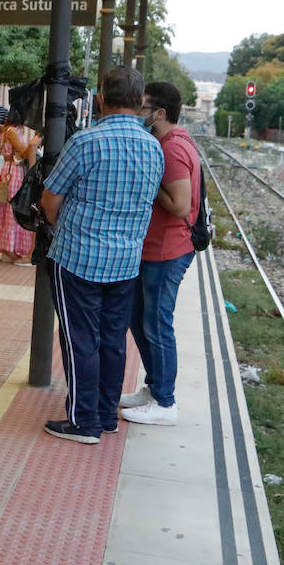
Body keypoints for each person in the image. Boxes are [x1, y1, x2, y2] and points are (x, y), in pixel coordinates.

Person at [39, 66, 163, 444]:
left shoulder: (85, 142)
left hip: (78, 258)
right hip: (126, 261)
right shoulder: (153, 147)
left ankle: (83, 421)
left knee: (80, 339)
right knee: (112, 339)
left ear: (101, 99)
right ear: (141, 102)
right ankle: (107, 415)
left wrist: (70, 231)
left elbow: (50, 200)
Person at [121, 81, 201, 427]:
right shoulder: (168, 143)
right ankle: (155, 388)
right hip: (155, 249)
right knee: (139, 320)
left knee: (156, 324)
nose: (139, 115)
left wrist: (150, 185)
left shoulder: (171, 149)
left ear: (160, 113)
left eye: (143, 108)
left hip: (168, 250)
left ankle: (165, 402)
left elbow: (181, 206)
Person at [0, 122, 42, 265]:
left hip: (8, 170)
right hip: (14, 172)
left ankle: (7, 250)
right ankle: (10, 249)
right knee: (14, 209)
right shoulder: (13, 131)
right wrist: (33, 145)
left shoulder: (8, 130)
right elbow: (23, 152)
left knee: (6, 210)